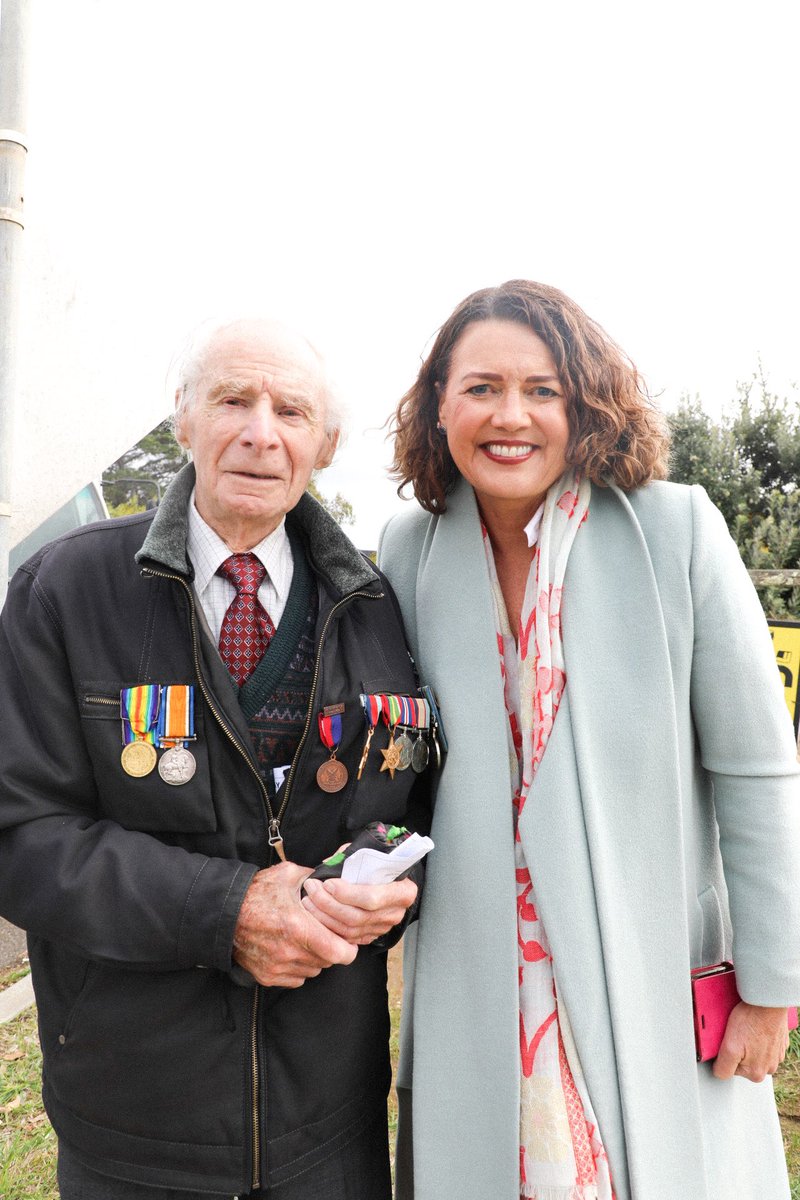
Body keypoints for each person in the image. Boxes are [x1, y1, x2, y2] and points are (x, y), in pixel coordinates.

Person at [379, 280, 800, 1200]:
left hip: (648, 968)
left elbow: (758, 769)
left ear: (586, 402)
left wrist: (773, 983)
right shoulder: (409, 546)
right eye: (480, 387)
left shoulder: (674, 527)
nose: (511, 416)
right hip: (479, 971)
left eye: (543, 390)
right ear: (438, 403)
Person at [0, 318, 430, 1199]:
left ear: (327, 443)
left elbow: (419, 804)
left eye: (291, 411)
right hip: (134, 1119)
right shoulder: (65, 590)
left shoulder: (381, 608)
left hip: (330, 1122)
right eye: (233, 399)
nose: (260, 432)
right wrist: (225, 911)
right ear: (183, 419)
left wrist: (391, 879)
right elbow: (19, 834)